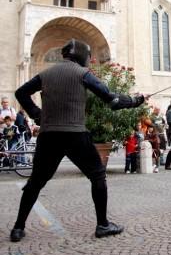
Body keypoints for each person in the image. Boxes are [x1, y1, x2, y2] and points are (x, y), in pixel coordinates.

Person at [10, 39, 146, 242]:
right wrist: (136, 100)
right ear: (81, 55)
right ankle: (103, 225)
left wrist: (37, 114)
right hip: (75, 134)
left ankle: (18, 228)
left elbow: (20, 93)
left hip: (49, 135)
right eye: (88, 56)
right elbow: (112, 100)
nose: (90, 60)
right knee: (98, 176)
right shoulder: (83, 74)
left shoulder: (45, 74)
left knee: (35, 182)